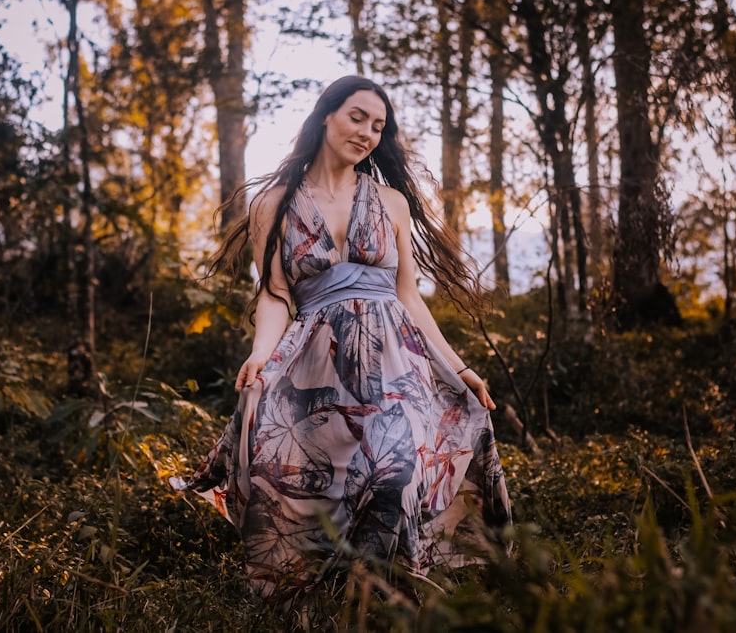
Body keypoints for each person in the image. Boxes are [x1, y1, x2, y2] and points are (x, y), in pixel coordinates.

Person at [172, 75, 511, 598]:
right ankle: (329, 592)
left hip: (393, 361)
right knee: (315, 479)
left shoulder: (390, 201)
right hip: (313, 360)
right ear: (325, 115)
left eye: (378, 125)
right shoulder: (275, 204)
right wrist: (261, 355)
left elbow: (408, 297)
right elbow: (276, 294)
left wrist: (459, 366)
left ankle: (390, 589)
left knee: (395, 472)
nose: (368, 133)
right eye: (357, 117)